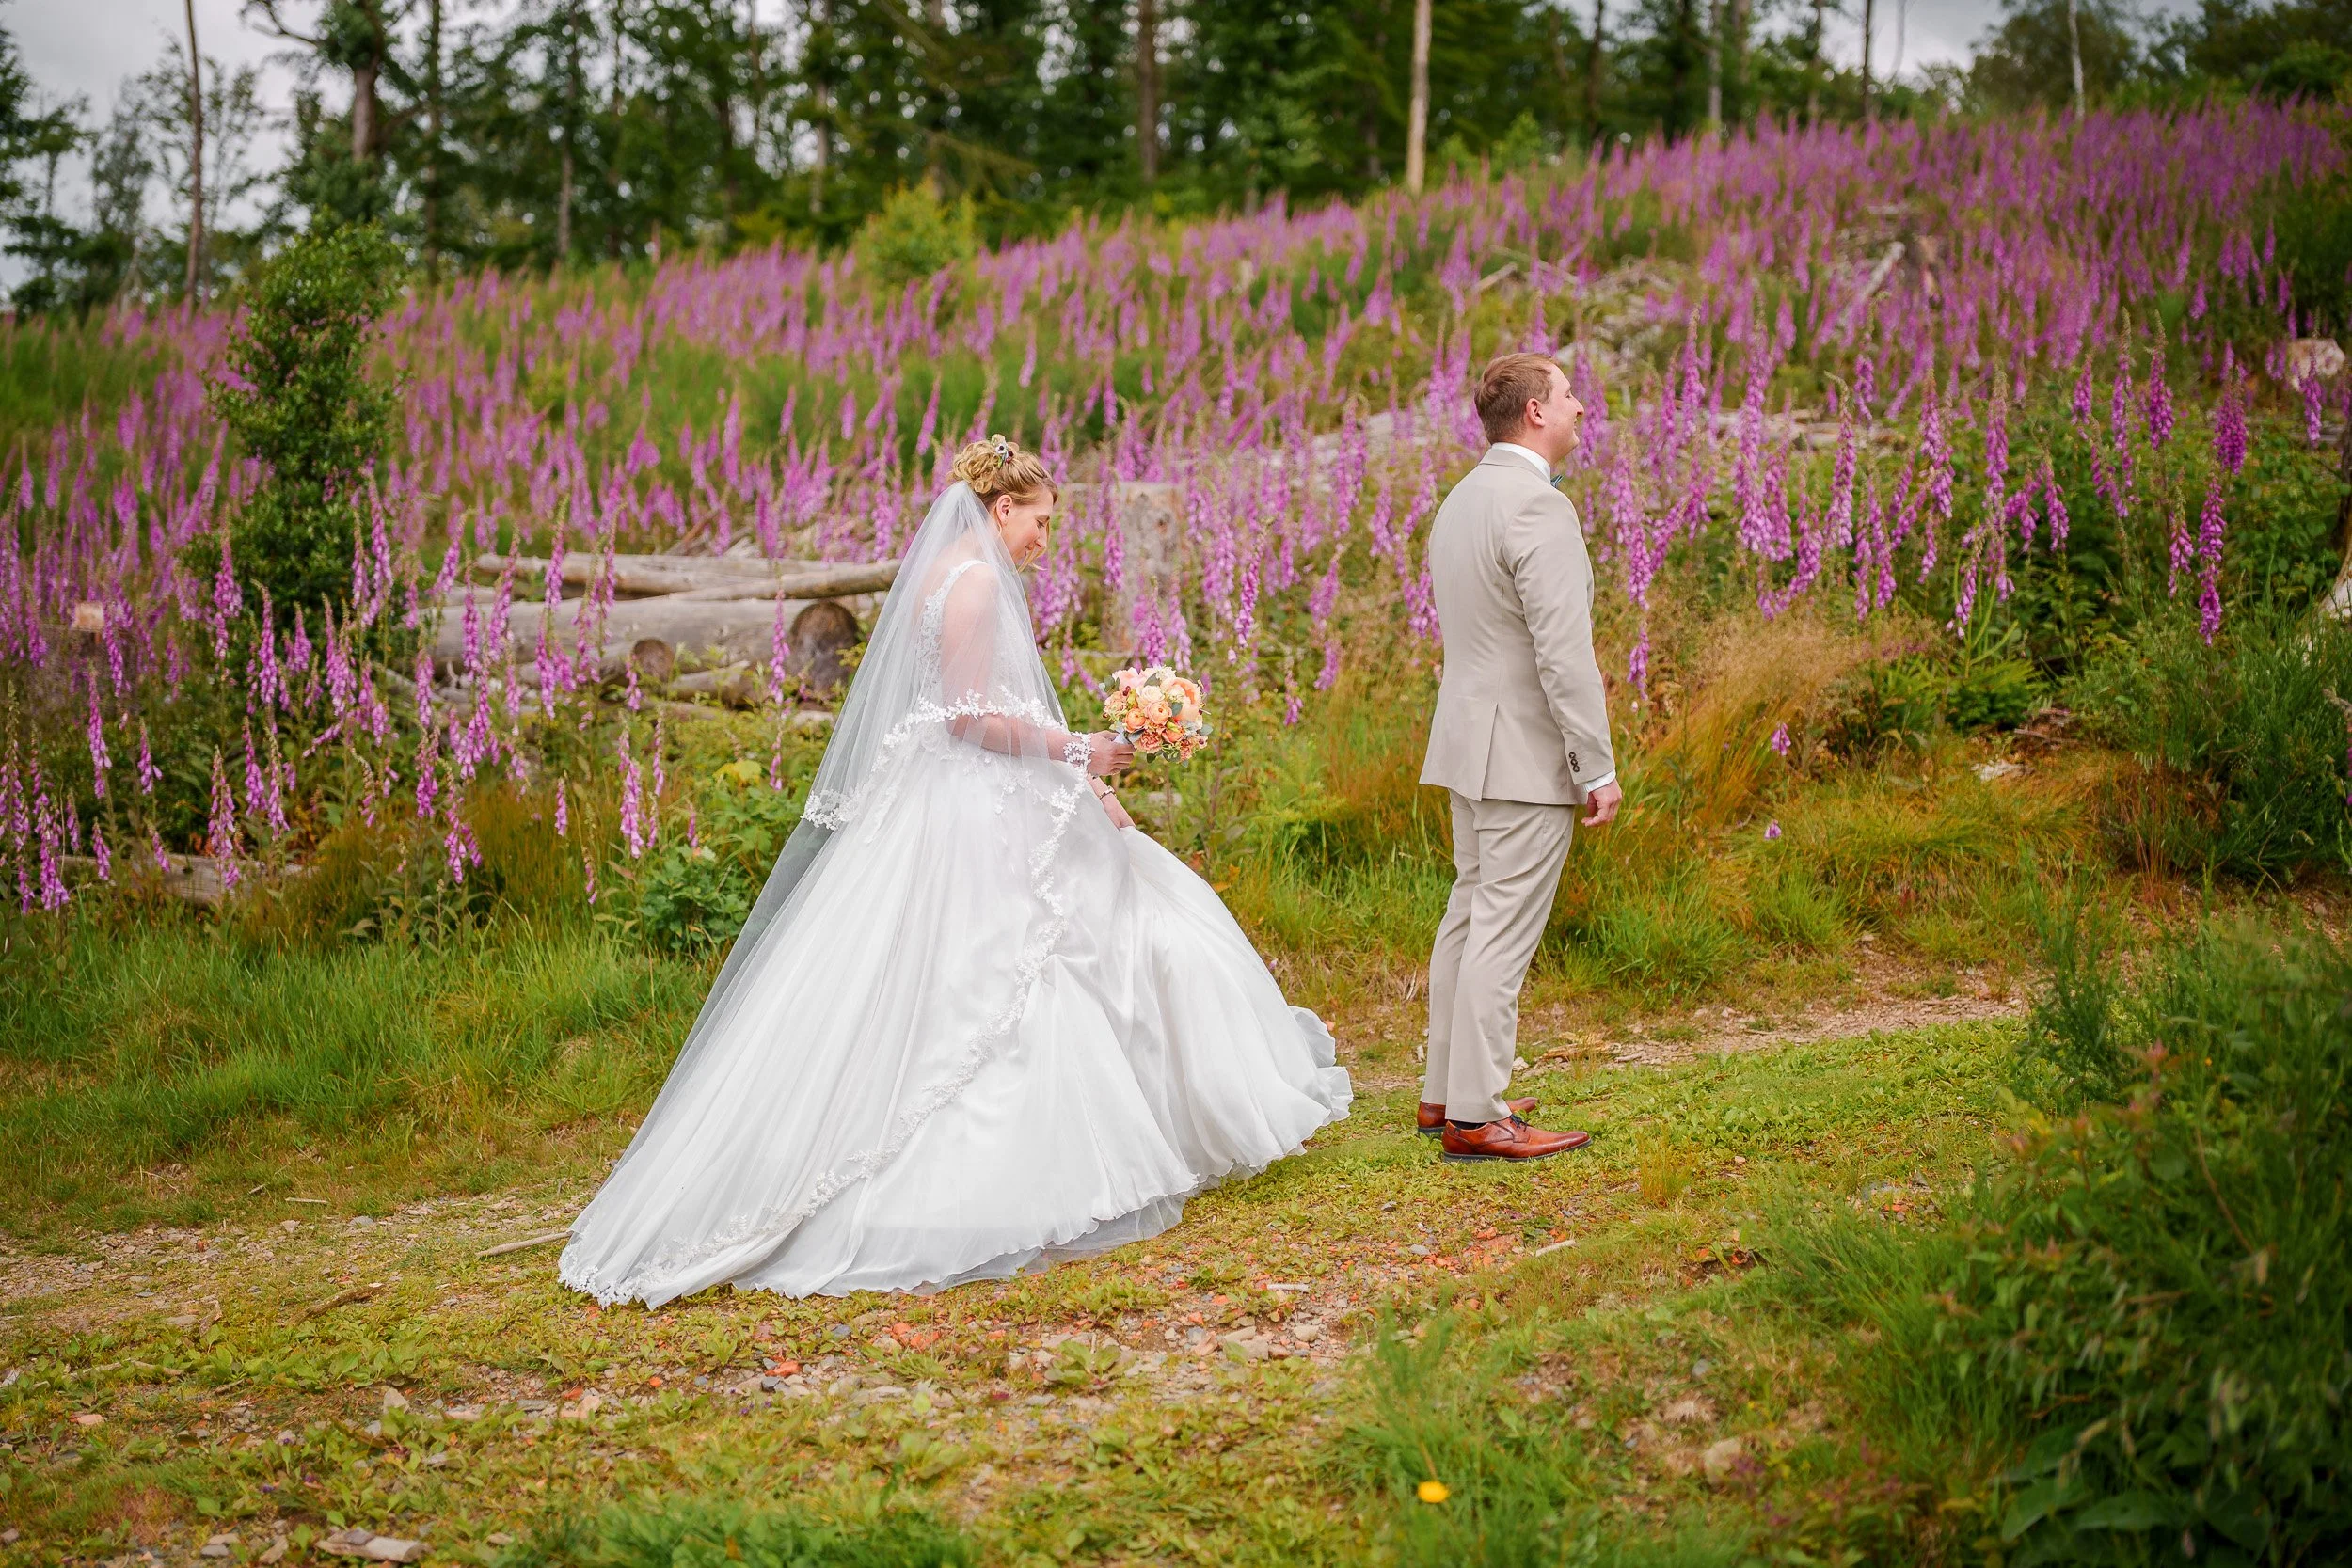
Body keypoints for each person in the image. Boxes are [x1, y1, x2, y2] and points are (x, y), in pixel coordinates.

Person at [558, 437, 1351, 1307]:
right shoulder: (973, 582)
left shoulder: (945, 570)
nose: (1046, 540)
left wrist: (1078, 775)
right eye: (1040, 521)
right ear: (1000, 508)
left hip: (952, 790)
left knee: (1060, 929)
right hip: (971, 796)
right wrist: (1082, 747)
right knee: (1017, 964)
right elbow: (972, 718)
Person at [1418, 354, 1623, 1164]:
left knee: (1469, 917)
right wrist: (1594, 764)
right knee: (1499, 928)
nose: (1580, 408)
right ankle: (1477, 1114)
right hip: (1522, 752)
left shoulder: (1462, 500)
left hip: (1467, 741)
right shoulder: (1536, 508)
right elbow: (1562, 651)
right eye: (1569, 395)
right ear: (1535, 411)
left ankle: (1447, 1090)